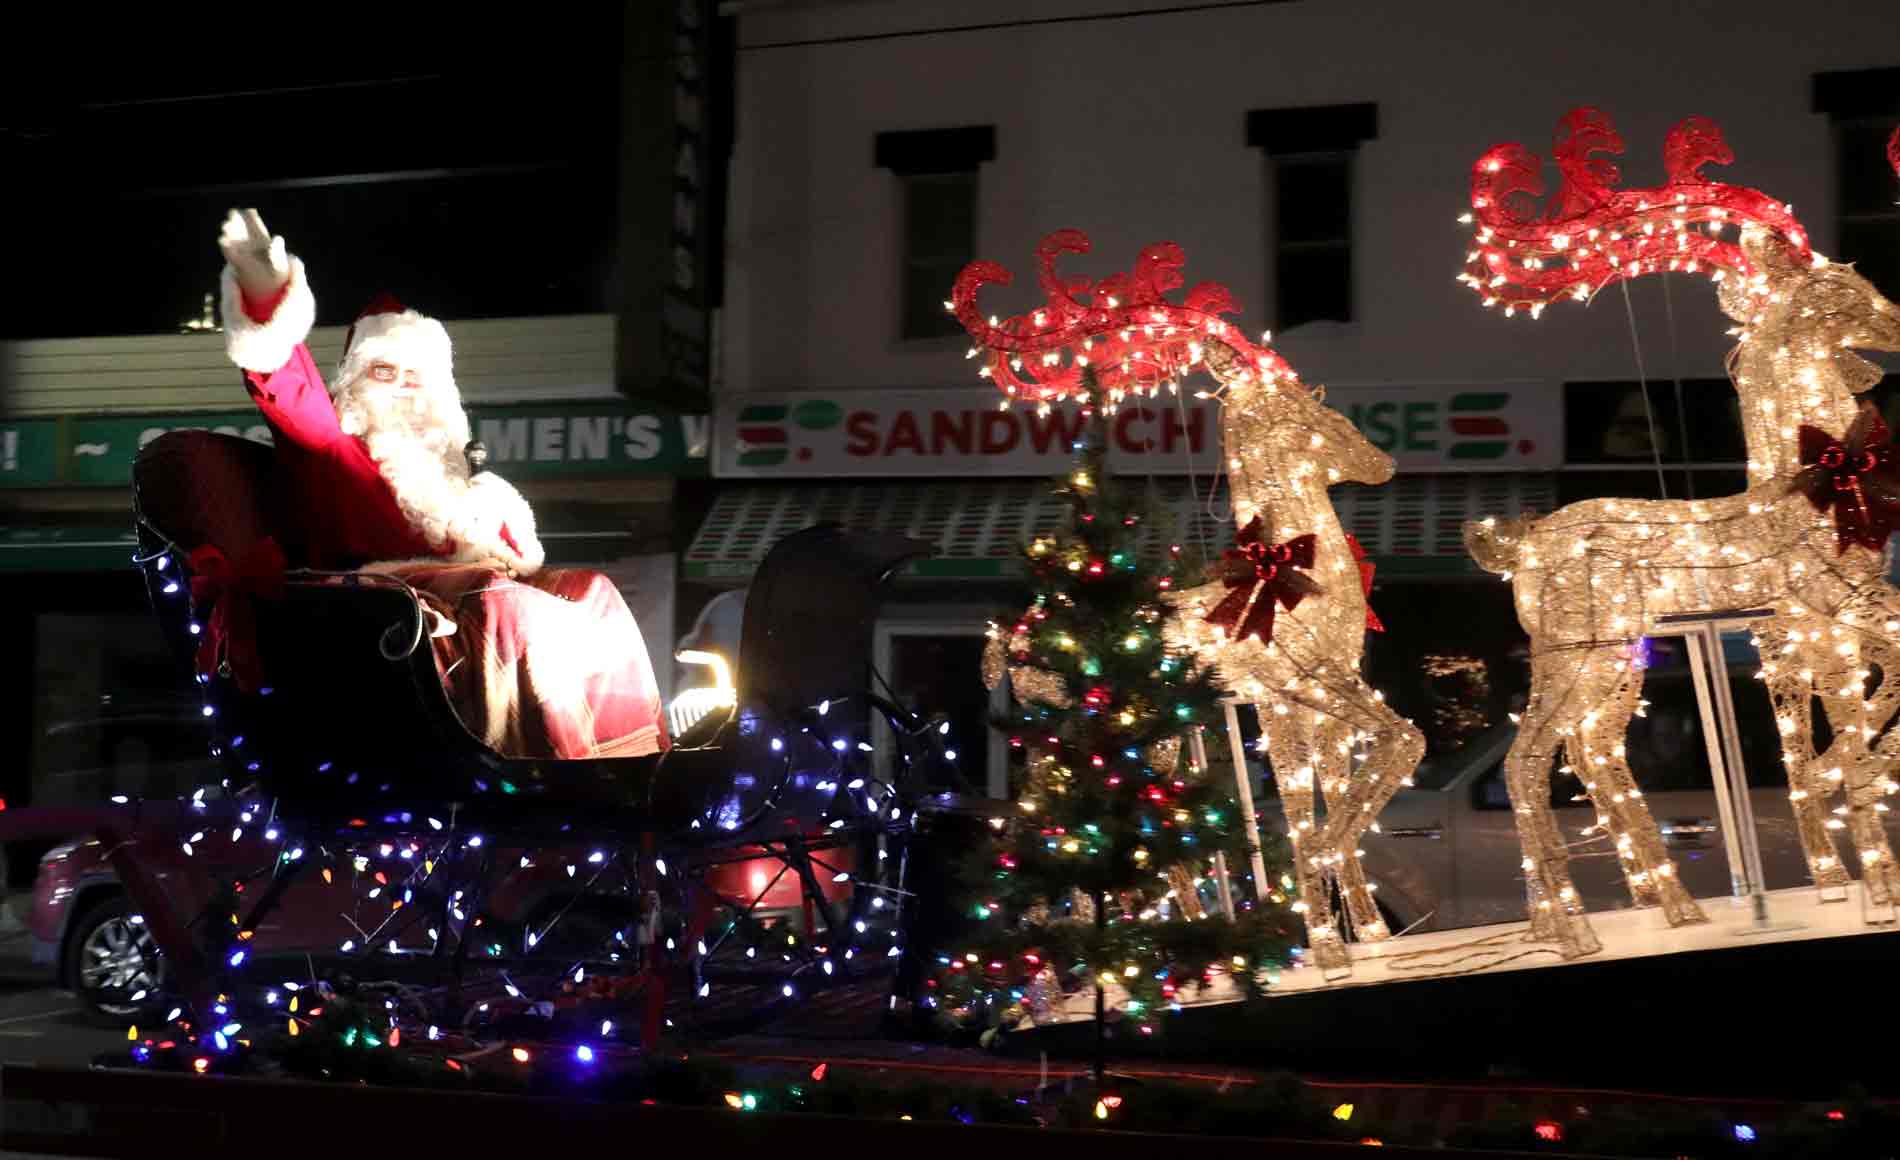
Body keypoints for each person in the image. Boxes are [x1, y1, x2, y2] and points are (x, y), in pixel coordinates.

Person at [215, 209, 666, 760]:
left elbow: (512, 560)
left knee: (591, 590)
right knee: (505, 606)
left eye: (417, 377)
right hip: (385, 606)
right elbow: (284, 383)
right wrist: (268, 297)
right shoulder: (333, 445)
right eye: (386, 372)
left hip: (467, 599)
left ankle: (635, 753)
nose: (404, 388)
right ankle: (548, 762)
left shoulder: (460, 479)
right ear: (355, 381)